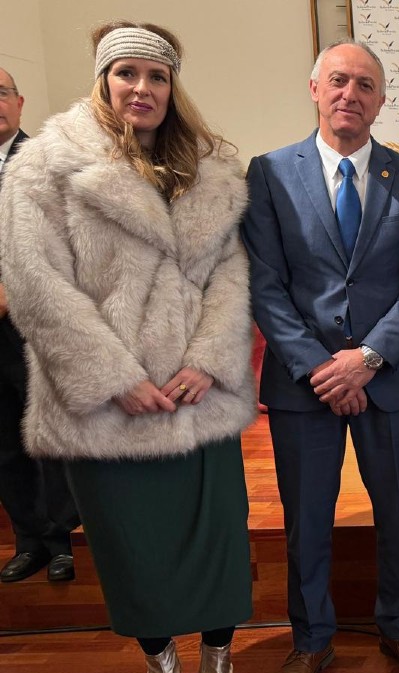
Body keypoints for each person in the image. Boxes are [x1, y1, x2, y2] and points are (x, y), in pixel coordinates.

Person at [0, 21, 257, 673]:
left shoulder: (207, 168)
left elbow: (229, 273)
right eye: (126, 73)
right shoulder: (45, 167)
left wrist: (206, 360)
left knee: (216, 539)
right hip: (107, 410)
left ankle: (219, 657)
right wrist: (114, 376)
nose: (141, 87)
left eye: (157, 75)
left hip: (198, 400)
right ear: (102, 79)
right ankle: (162, 658)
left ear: (173, 86)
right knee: (133, 549)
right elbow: (37, 287)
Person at [242, 39, 399, 673]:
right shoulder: (270, 172)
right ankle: (311, 641)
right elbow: (264, 284)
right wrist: (322, 367)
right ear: (314, 88)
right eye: (338, 81)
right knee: (306, 520)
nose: (349, 94)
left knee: (398, 514)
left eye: (364, 85)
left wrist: (370, 358)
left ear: (381, 100)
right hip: (304, 385)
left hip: (389, 380)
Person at [0, 66, 80, 585]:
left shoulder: (44, 163)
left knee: (44, 433)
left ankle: (64, 538)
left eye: (1, 93)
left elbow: (66, 241)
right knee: (4, 440)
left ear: (20, 102)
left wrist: (12, 289)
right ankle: (28, 537)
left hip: (30, 323)